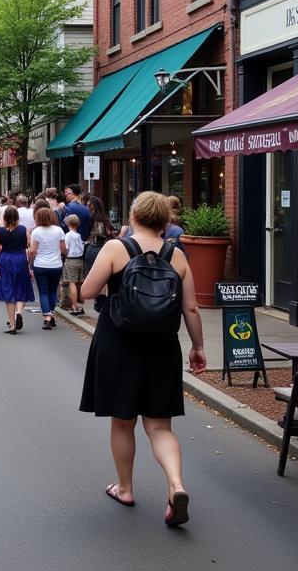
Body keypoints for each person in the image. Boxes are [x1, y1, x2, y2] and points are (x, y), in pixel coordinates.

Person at [79, 191, 206, 527]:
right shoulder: (176, 256)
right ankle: (176, 485)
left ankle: (125, 488)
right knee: (160, 425)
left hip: (119, 343)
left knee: (123, 421)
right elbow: (191, 308)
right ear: (166, 220)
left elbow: (86, 292)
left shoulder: (115, 248)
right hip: (162, 347)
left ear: (133, 215)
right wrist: (198, 347)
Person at [0, 205, 35, 333]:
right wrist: (29, 263)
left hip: (6, 259)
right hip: (20, 258)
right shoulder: (24, 229)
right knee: (20, 287)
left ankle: (12, 324)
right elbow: (30, 247)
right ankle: (19, 312)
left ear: (5, 218)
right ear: (18, 218)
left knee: (8, 290)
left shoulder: (0, 231)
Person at [29, 206, 66, 328]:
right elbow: (63, 248)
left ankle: (47, 315)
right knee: (52, 290)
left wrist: (30, 260)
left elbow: (33, 251)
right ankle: (52, 312)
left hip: (40, 264)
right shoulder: (59, 230)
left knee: (43, 291)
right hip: (56, 264)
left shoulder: (36, 232)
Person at [62, 213, 87, 316]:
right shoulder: (79, 235)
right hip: (80, 260)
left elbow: (65, 248)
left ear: (68, 223)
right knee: (78, 283)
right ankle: (80, 304)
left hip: (71, 260)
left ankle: (74, 306)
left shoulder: (68, 235)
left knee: (72, 283)